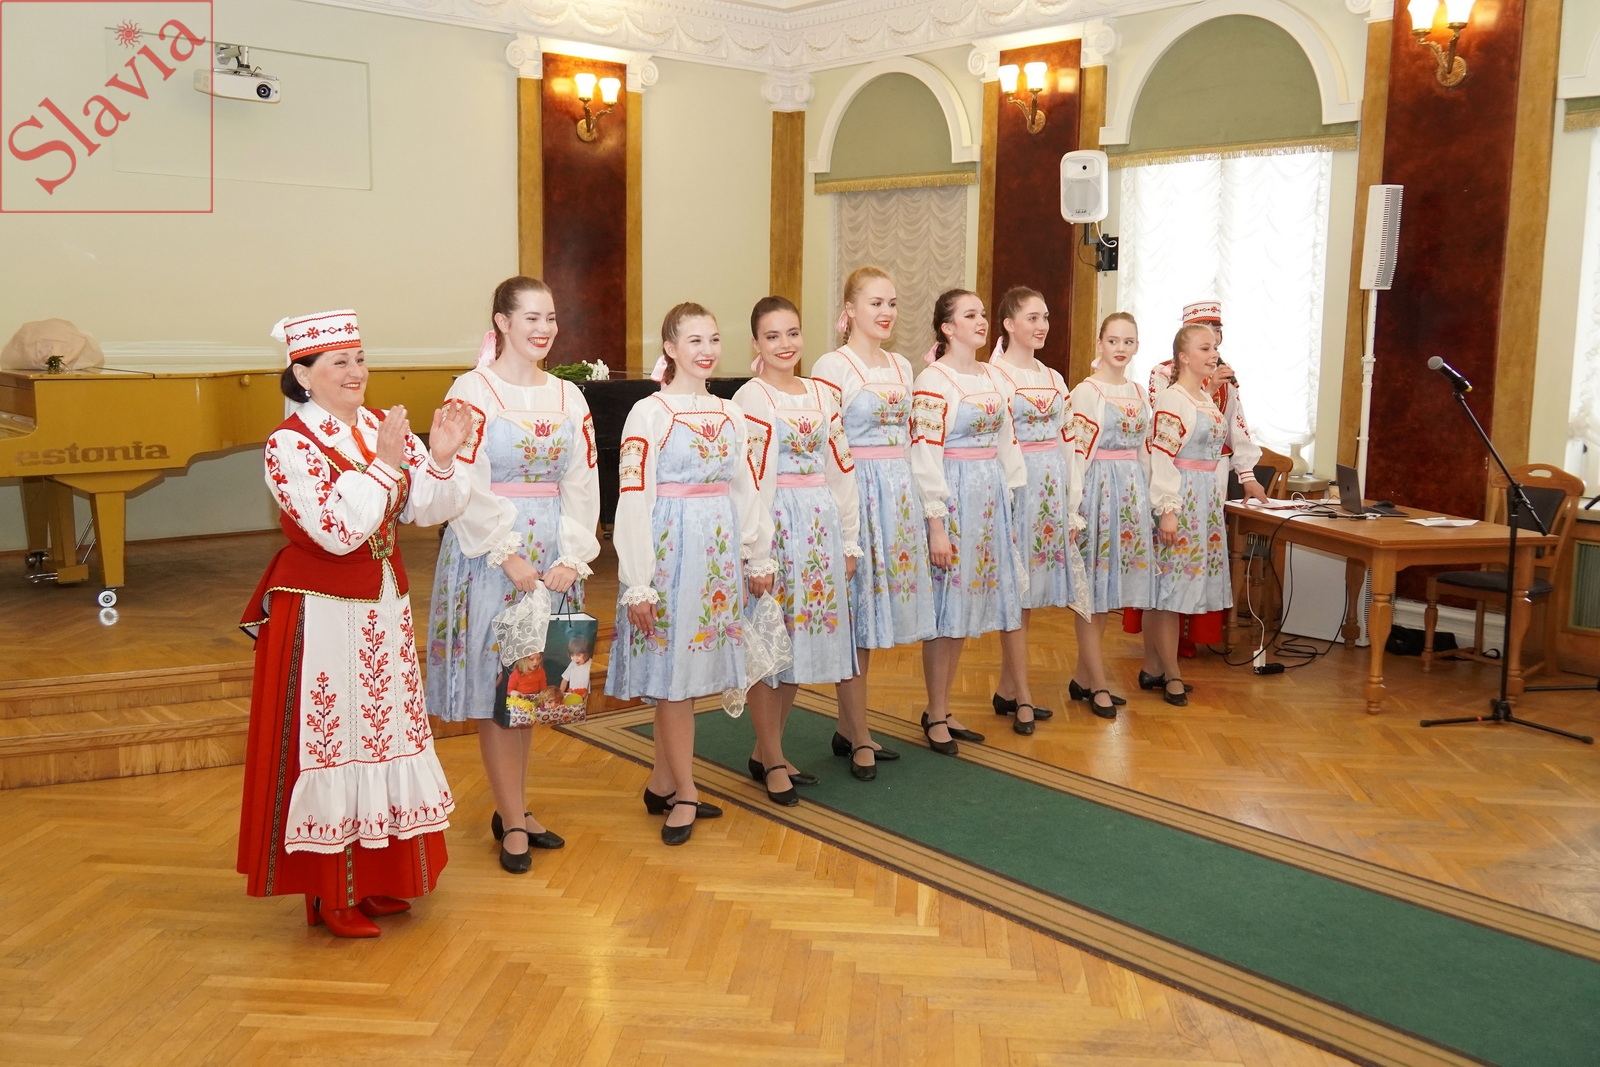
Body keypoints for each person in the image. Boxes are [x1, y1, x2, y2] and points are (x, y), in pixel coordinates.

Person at [237, 308, 473, 938]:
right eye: (339, 361)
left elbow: (429, 508)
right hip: (322, 612)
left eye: (360, 359)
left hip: (383, 605)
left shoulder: (377, 425)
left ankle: (371, 878)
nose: (355, 371)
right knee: (332, 740)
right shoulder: (289, 444)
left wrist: (441, 457)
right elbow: (337, 531)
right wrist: (387, 466)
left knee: (382, 736)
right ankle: (328, 892)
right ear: (303, 375)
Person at [425, 277, 600, 875]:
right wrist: (506, 554)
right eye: (531, 318)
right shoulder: (473, 389)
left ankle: (516, 809)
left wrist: (573, 554)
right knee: (498, 692)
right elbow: (463, 481)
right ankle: (512, 819)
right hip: (490, 555)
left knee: (530, 689)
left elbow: (582, 479)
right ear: (501, 322)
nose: (543, 329)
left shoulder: (569, 397)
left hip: (552, 556)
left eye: (550, 317)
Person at [605, 303, 776, 845]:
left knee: (688, 676)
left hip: (717, 556)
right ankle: (685, 792)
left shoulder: (732, 413)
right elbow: (633, 498)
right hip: (670, 556)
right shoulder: (648, 413)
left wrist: (756, 553)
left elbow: (747, 488)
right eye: (694, 340)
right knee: (673, 680)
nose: (706, 350)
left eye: (714, 339)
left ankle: (662, 781)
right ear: (670, 348)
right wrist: (639, 580)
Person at [735, 296, 867, 796]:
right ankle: (771, 759)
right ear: (756, 343)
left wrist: (849, 539)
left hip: (819, 529)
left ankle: (766, 750)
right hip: (775, 529)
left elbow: (841, 468)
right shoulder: (751, 399)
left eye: (792, 333)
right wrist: (758, 554)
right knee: (769, 643)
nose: (785, 344)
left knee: (795, 645)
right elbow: (751, 482)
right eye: (772, 336)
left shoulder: (820, 394)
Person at [811, 267, 926, 773]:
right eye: (875, 303)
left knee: (871, 615)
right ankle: (858, 734)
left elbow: (910, 438)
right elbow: (823, 442)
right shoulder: (832, 366)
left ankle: (848, 726)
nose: (886, 312)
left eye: (892, 303)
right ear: (850, 310)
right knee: (854, 616)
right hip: (854, 493)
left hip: (895, 496)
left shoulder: (902, 365)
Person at [910, 289, 1026, 754]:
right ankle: (934, 712)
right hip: (954, 498)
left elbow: (1007, 441)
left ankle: (943, 708)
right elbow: (924, 453)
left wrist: (1009, 504)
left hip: (988, 498)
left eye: (982, 314)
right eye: (969, 315)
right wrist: (936, 524)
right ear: (947, 327)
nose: (981, 321)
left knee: (962, 612)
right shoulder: (932, 380)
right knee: (945, 612)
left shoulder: (993, 376)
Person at [1141, 301, 1266, 659]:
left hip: (1212, 475)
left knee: (1198, 560)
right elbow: (1163, 429)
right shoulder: (1163, 374)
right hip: (1179, 477)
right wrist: (1207, 390)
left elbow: (1236, 423)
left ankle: (1190, 637)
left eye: (1217, 333)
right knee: (1173, 565)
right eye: (1206, 335)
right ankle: (1163, 654)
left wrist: (1247, 474)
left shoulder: (1227, 377)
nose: (1214, 342)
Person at [986, 286, 1086, 734]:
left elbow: (1069, 442)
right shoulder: (995, 376)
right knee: (1015, 593)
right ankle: (1023, 695)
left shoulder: (1053, 378)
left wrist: (1070, 505)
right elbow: (994, 442)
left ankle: (1008, 690)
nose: (1042, 325)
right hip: (1016, 488)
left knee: (1029, 597)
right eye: (1032, 317)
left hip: (1047, 490)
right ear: (1009, 324)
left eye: (1045, 317)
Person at [1069, 313, 1156, 719]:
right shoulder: (1086, 392)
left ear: (1137, 346)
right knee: (1091, 592)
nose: (1121, 348)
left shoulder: (1139, 392)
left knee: (1106, 595)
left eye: (1128, 341)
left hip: (1129, 493)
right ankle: (1099, 682)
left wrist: (1150, 502)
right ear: (1099, 343)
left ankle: (1082, 678)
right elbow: (1076, 455)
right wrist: (1073, 509)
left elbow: (1144, 452)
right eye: (1113, 340)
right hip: (1097, 494)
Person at [1144, 322, 1236, 706]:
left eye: (1214, 347)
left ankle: (1152, 667)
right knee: (1169, 589)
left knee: (1173, 586)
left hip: (1203, 500)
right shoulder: (1172, 399)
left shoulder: (1202, 398)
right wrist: (1168, 510)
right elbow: (1162, 456)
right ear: (1183, 357)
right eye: (1204, 348)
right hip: (1180, 500)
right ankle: (1172, 674)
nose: (1213, 354)